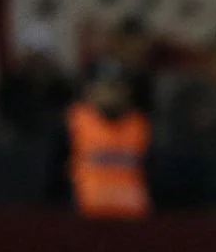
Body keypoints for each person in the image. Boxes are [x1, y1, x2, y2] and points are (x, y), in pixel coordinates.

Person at [48, 58, 152, 219]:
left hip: (134, 218)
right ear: (89, 90)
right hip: (85, 216)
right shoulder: (70, 123)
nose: (111, 93)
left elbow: (154, 174)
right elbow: (54, 175)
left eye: (117, 86)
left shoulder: (141, 124)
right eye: (104, 86)